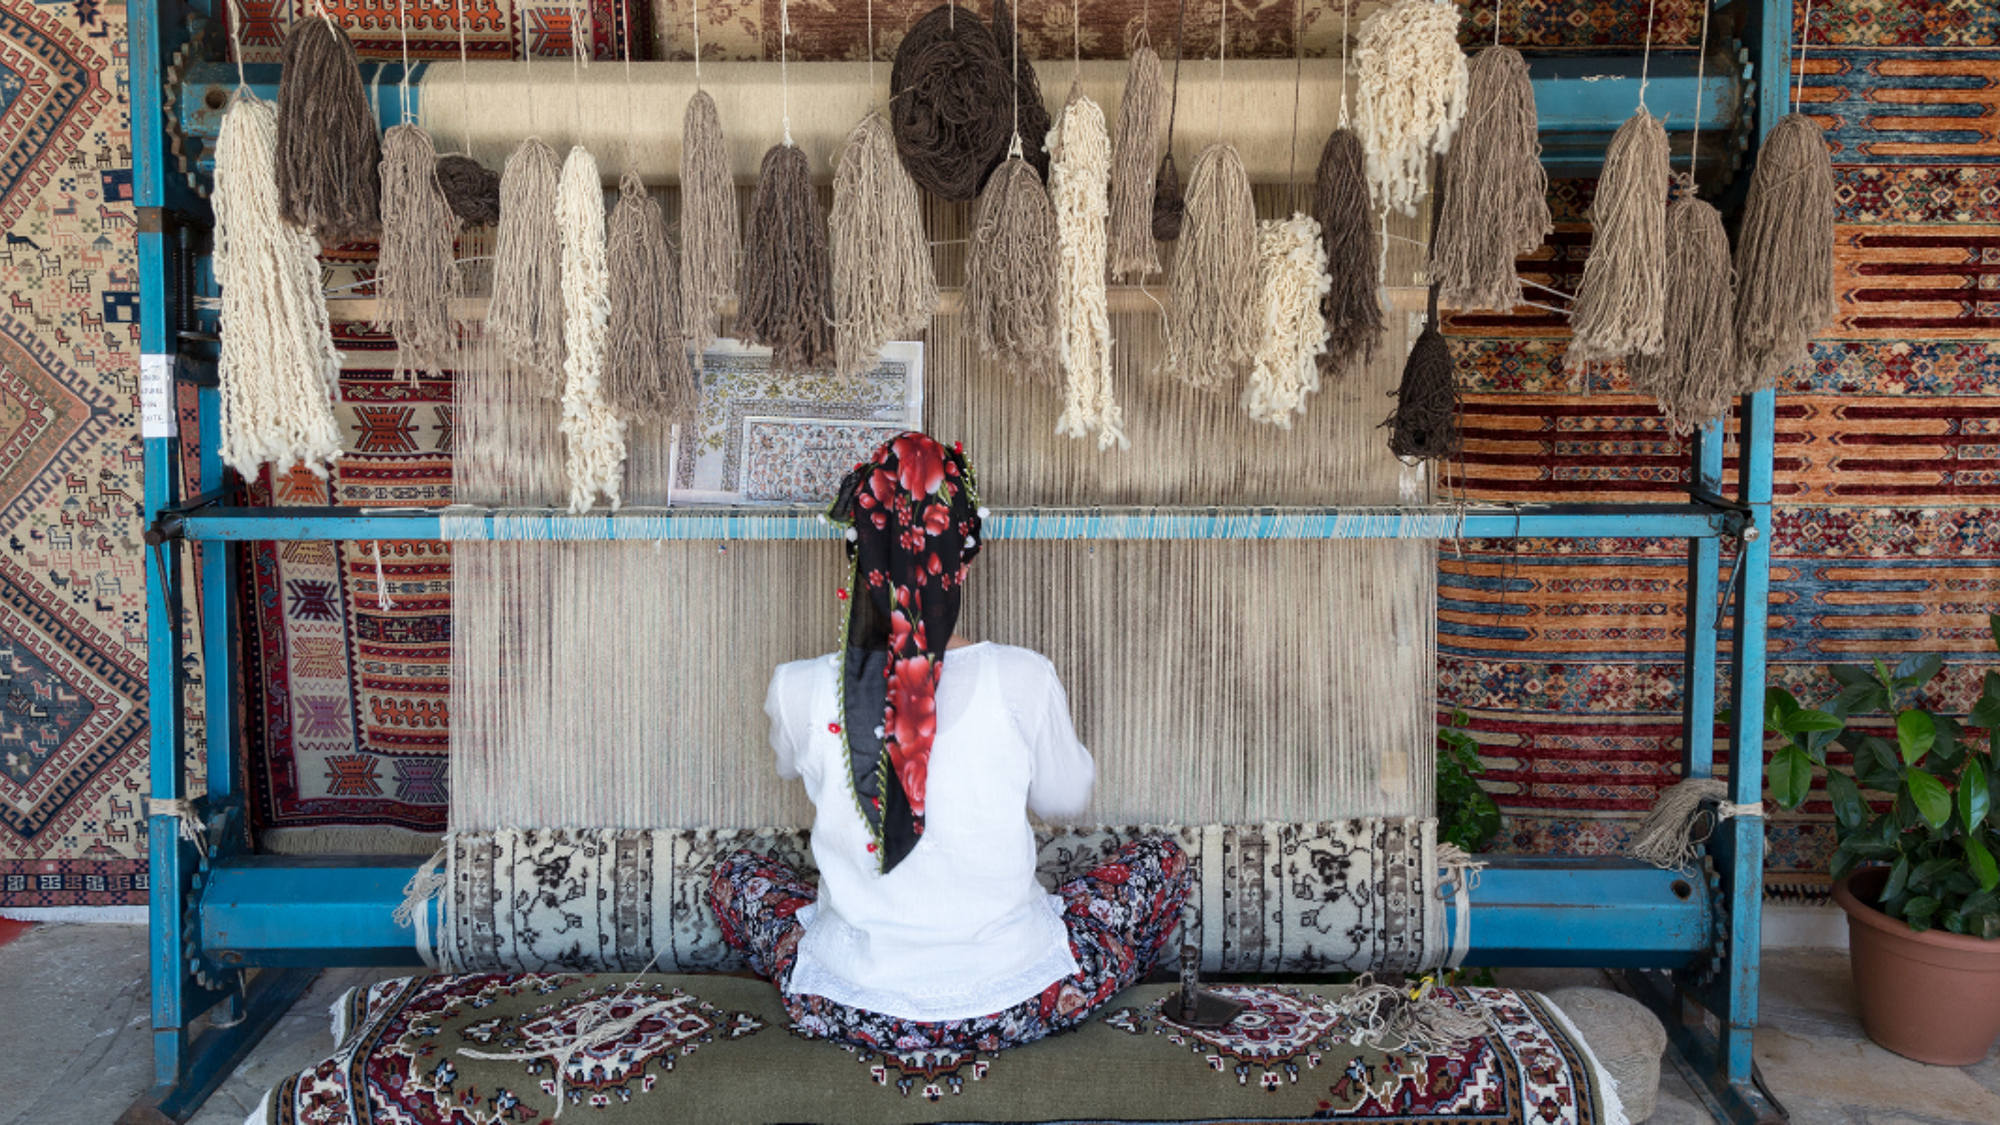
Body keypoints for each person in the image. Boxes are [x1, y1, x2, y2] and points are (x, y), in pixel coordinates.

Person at [708, 432, 1188, 1053]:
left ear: (859, 558)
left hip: (850, 1003)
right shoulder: (1023, 678)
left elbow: (787, 763)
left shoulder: (798, 688)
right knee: (1163, 860)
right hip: (1013, 998)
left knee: (734, 875)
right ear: (962, 559)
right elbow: (1068, 797)